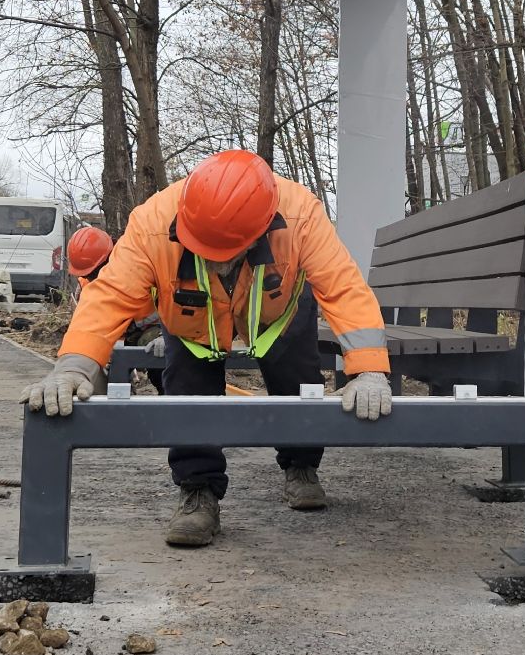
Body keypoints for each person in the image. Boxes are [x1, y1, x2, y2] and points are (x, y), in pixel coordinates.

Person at [23, 150, 393, 547]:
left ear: (263, 228)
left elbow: (343, 287)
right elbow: (109, 296)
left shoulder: (301, 213)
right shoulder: (151, 223)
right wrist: (75, 366)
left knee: (296, 377)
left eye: (227, 255)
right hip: (191, 321)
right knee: (188, 390)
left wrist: (369, 370)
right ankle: (198, 492)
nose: (218, 264)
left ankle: (301, 467)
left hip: (278, 309)